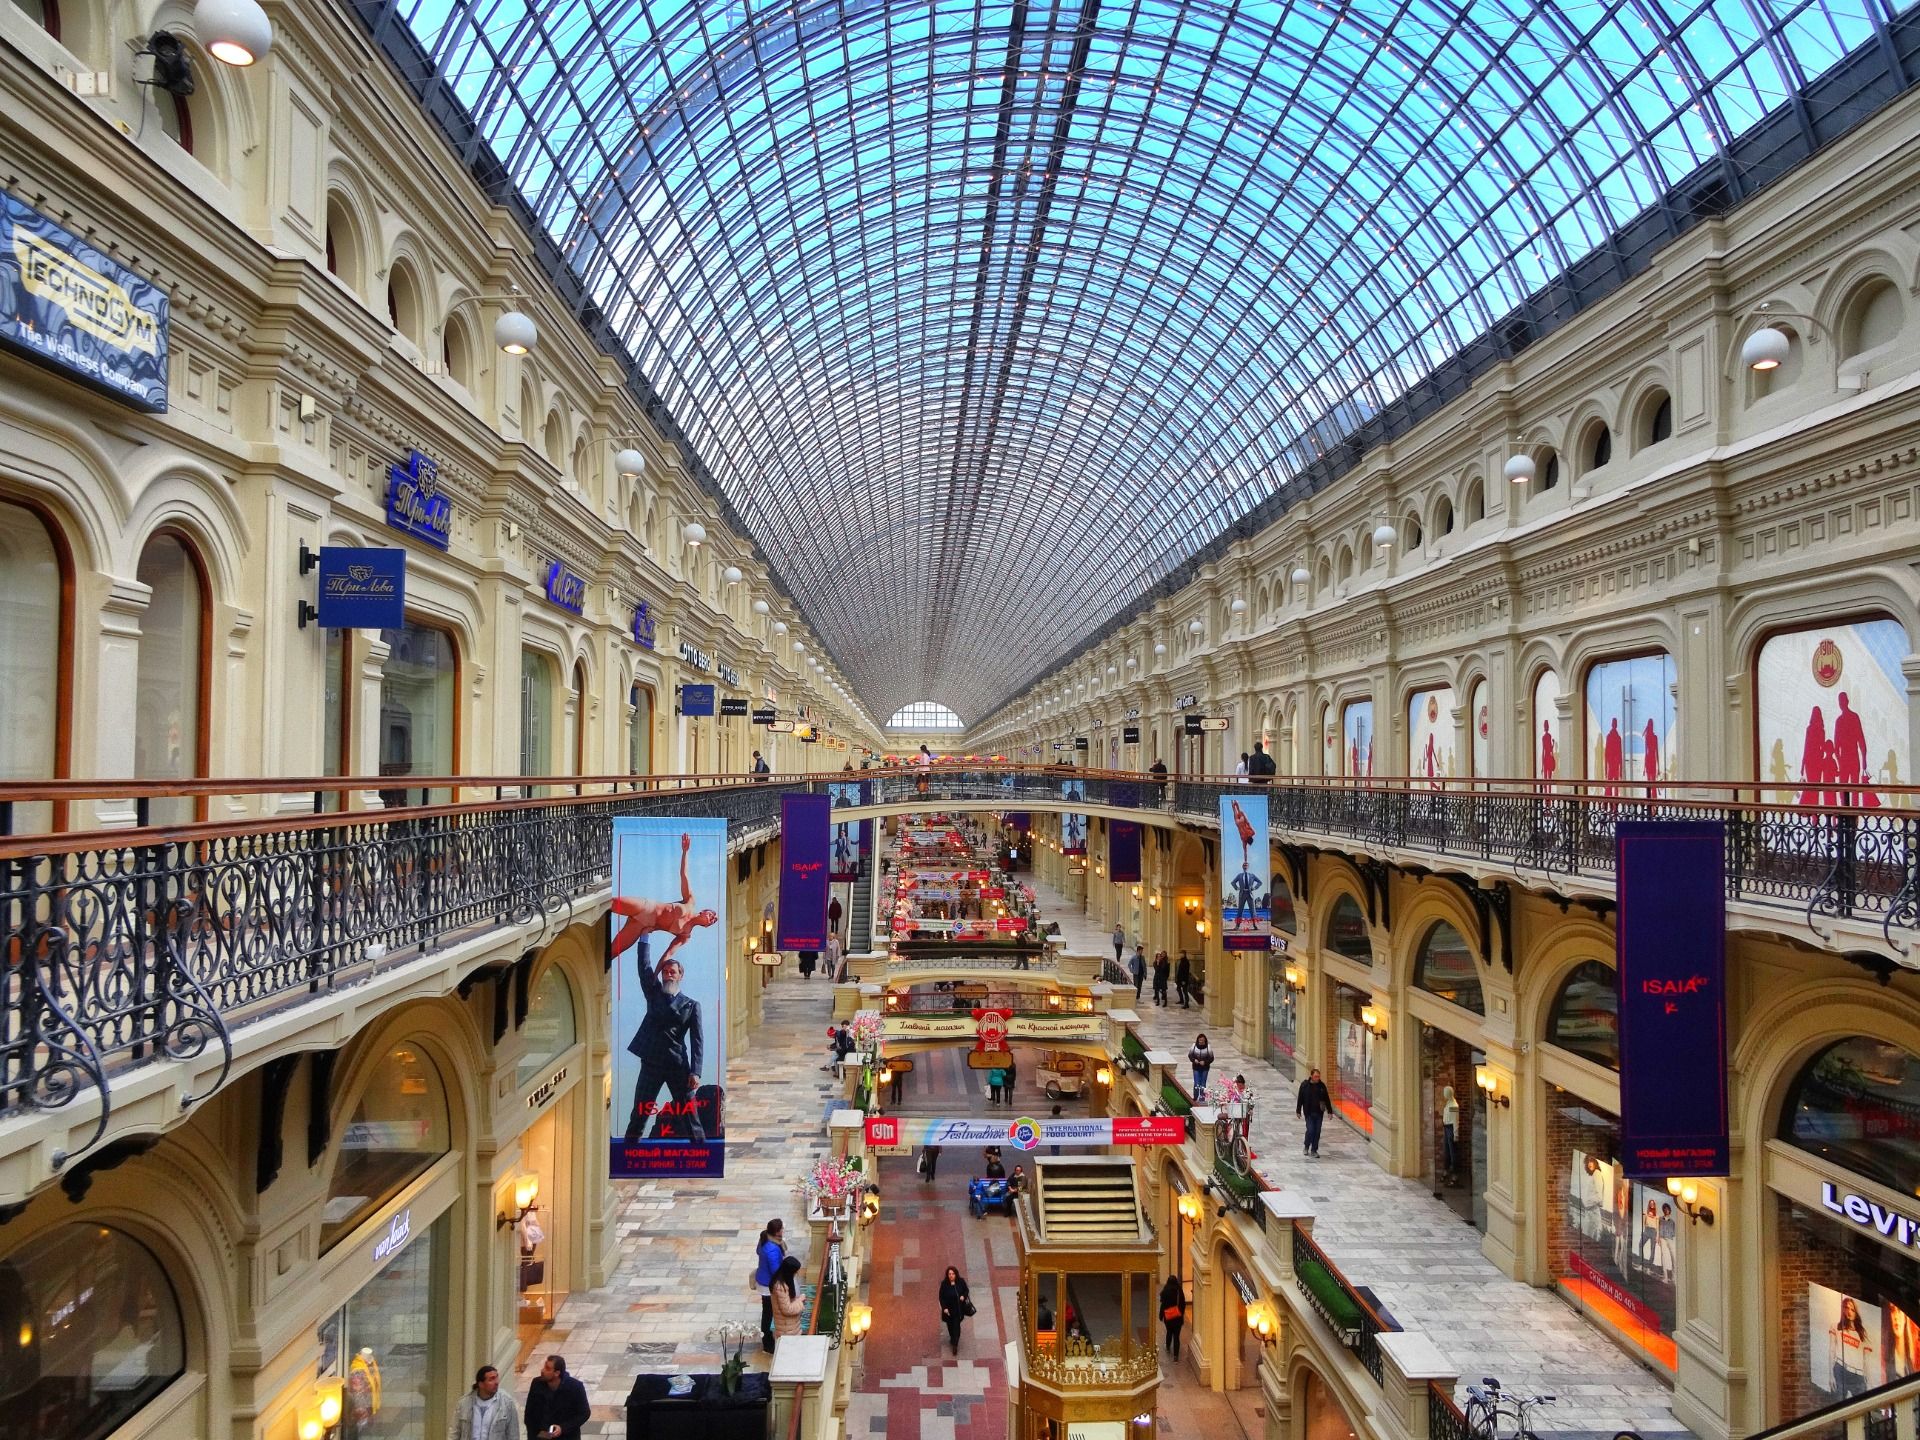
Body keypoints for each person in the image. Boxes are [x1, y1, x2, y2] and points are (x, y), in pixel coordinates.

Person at [617, 946, 706, 1144]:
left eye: (672, 972)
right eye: (665, 972)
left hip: (677, 1066)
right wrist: (645, 935)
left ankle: (702, 1153)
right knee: (640, 1112)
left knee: (690, 1116)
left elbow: (697, 1041)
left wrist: (695, 1072)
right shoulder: (654, 994)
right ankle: (628, 1153)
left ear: (680, 975)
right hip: (651, 1064)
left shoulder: (691, 1005)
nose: (668, 975)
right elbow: (644, 967)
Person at [522, 1355, 590, 1440]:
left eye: (547, 1368)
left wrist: (563, 1428)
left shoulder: (575, 1387)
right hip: (542, 1436)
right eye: (544, 1366)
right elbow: (529, 1413)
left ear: (557, 1373)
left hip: (566, 1436)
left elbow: (584, 1413)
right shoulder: (536, 1384)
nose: (542, 1371)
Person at [452, 1364, 516, 1440]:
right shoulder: (464, 1403)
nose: (496, 1382)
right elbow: (454, 1432)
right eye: (491, 1379)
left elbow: (513, 1434)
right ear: (481, 1384)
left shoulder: (507, 1402)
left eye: (496, 1378)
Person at [754, 1218, 788, 1353]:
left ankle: (768, 1339)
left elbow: (758, 1251)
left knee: (767, 1311)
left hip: (763, 1280)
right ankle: (767, 1343)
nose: (783, 1230)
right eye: (781, 1229)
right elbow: (775, 1270)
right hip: (768, 1284)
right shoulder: (772, 1249)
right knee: (768, 1313)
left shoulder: (764, 1239)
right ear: (777, 1231)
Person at [1830, 1295, 1872, 1398]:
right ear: (1843, 1309)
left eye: (1852, 1309)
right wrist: (1830, 1375)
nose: (1849, 1312)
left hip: (1858, 1375)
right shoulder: (1836, 1327)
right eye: (1846, 1308)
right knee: (1839, 1405)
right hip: (1841, 1369)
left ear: (1856, 1313)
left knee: (1863, 1408)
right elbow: (1831, 1350)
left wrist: (1869, 1381)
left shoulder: (1862, 1334)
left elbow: (1866, 1360)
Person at [1297, 1067, 1332, 1157]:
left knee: (1317, 1132)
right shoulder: (1305, 1085)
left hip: (1319, 1113)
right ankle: (1306, 1146)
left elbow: (1327, 1099)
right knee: (1310, 1130)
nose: (1317, 1078)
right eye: (1316, 1076)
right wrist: (1298, 1110)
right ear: (1311, 1076)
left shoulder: (1322, 1086)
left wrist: (1329, 1111)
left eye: (1318, 1077)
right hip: (1308, 1113)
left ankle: (1314, 1150)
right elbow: (1300, 1098)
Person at [938, 1266, 972, 1355]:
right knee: (950, 1326)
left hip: (958, 1309)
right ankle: (952, 1338)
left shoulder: (960, 1282)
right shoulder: (944, 1284)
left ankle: (955, 1344)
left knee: (956, 1327)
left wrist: (963, 1296)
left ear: (956, 1274)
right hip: (948, 1311)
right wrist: (944, 1308)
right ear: (947, 1275)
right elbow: (941, 1297)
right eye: (949, 1274)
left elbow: (966, 1290)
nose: (951, 1276)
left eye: (953, 1274)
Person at [773, 1254, 806, 1338]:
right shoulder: (781, 1287)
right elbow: (787, 1309)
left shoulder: (783, 1281)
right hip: (787, 1328)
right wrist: (800, 1300)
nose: (797, 1273)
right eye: (795, 1272)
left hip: (789, 1326)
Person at [1159, 1273, 1186, 1358]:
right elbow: (1183, 1303)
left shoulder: (1166, 1290)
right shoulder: (1179, 1290)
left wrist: (1161, 1315)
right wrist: (1181, 1313)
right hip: (1177, 1317)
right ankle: (1176, 1357)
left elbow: (1163, 1304)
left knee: (1169, 1332)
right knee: (1176, 1336)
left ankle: (1167, 1347)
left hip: (1169, 1317)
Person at [1441, 1085, 1459, 1185]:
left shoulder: (1453, 1106)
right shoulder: (1448, 1104)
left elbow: (1456, 1121)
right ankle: (1446, 1171)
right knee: (1447, 1152)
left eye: (1445, 1092)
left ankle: (1455, 1175)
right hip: (1447, 1128)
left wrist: (1456, 1134)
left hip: (1451, 1129)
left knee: (1453, 1153)